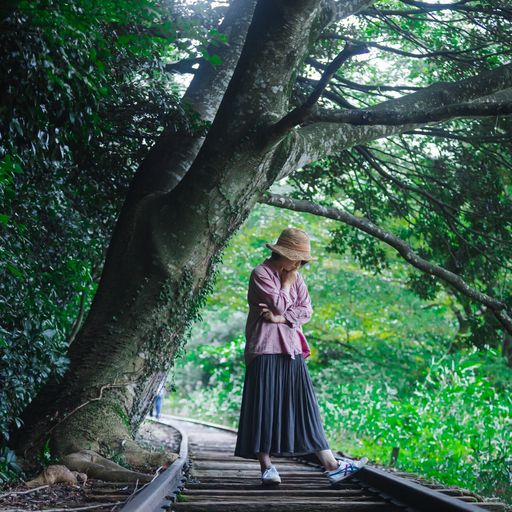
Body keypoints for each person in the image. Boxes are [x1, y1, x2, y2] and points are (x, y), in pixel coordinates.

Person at [234, 227, 367, 485]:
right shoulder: (261, 274)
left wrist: (281, 318)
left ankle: (331, 465)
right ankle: (267, 468)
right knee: (264, 407)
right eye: (296, 258)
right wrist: (285, 287)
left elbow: (306, 310)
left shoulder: (297, 277)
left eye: (301, 260)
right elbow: (279, 302)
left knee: (305, 408)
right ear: (281, 253)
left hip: (293, 349)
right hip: (264, 348)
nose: (299, 264)